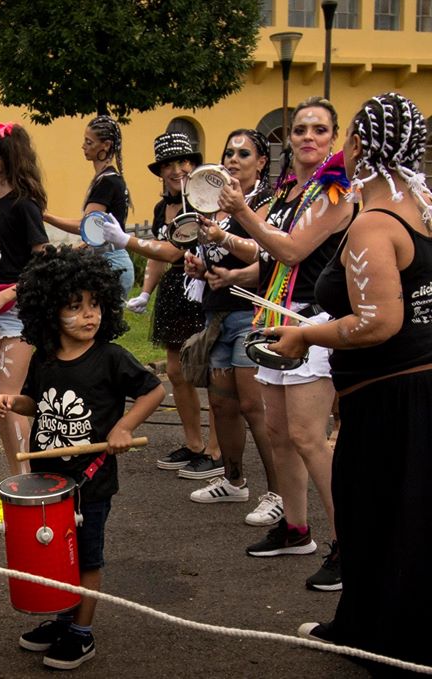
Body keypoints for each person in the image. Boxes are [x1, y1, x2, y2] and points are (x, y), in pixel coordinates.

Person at [265, 93, 432, 673]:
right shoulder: (424, 210)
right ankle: (362, 625)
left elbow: (378, 322)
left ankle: (385, 642)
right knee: (399, 518)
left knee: (377, 517)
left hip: (390, 397)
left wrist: (306, 336)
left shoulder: (374, 225)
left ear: (358, 145)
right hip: (411, 390)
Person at [0, 245, 164, 670]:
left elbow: (154, 390)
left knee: (85, 558)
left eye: (95, 304)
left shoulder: (110, 357)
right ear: (50, 312)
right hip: (50, 482)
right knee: (56, 557)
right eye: (75, 306)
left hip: (91, 481)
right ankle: (64, 620)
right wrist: (13, 402)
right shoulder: (45, 359)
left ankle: (82, 633)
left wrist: (124, 427)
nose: (89, 315)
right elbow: (35, 401)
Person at [216, 97, 353, 592]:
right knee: (278, 432)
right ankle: (296, 529)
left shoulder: (337, 191)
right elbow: (267, 255)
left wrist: (241, 213)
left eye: (319, 129)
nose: (308, 136)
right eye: (299, 129)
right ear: (288, 139)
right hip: (274, 317)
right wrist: (221, 247)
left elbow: (293, 250)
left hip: (311, 322)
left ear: (333, 138)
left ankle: (348, 544)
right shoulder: (287, 190)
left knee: (309, 438)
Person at [102, 132, 222, 479]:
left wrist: (127, 240)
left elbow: (171, 251)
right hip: (175, 290)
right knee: (177, 370)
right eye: (168, 164)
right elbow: (158, 255)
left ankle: (217, 451)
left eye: (183, 161)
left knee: (214, 373)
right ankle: (194, 444)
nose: (177, 169)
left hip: (205, 287)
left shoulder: (203, 204)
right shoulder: (162, 208)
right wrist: (145, 291)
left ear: (194, 164)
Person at [182, 129, 280, 525]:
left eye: (244, 153)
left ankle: (279, 493)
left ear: (262, 162)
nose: (233, 160)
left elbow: (268, 255)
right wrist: (201, 268)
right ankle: (233, 480)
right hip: (217, 314)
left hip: (250, 316)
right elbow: (219, 259)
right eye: (228, 153)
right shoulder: (216, 205)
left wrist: (227, 251)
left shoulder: (265, 203)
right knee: (222, 405)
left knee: (254, 407)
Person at [0, 122, 49, 516]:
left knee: (9, 400)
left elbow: (43, 262)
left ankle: (25, 489)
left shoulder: (24, 205)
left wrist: (7, 295)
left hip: (17, 314)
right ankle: (13, 482)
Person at [43, 115, 135, 297]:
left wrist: (46, 216)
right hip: (114, 259)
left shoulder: (107, 182)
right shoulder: (111, 179)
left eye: (89, 142)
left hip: (109, 261)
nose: (83, 146)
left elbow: (86, 228)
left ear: (106, 145)